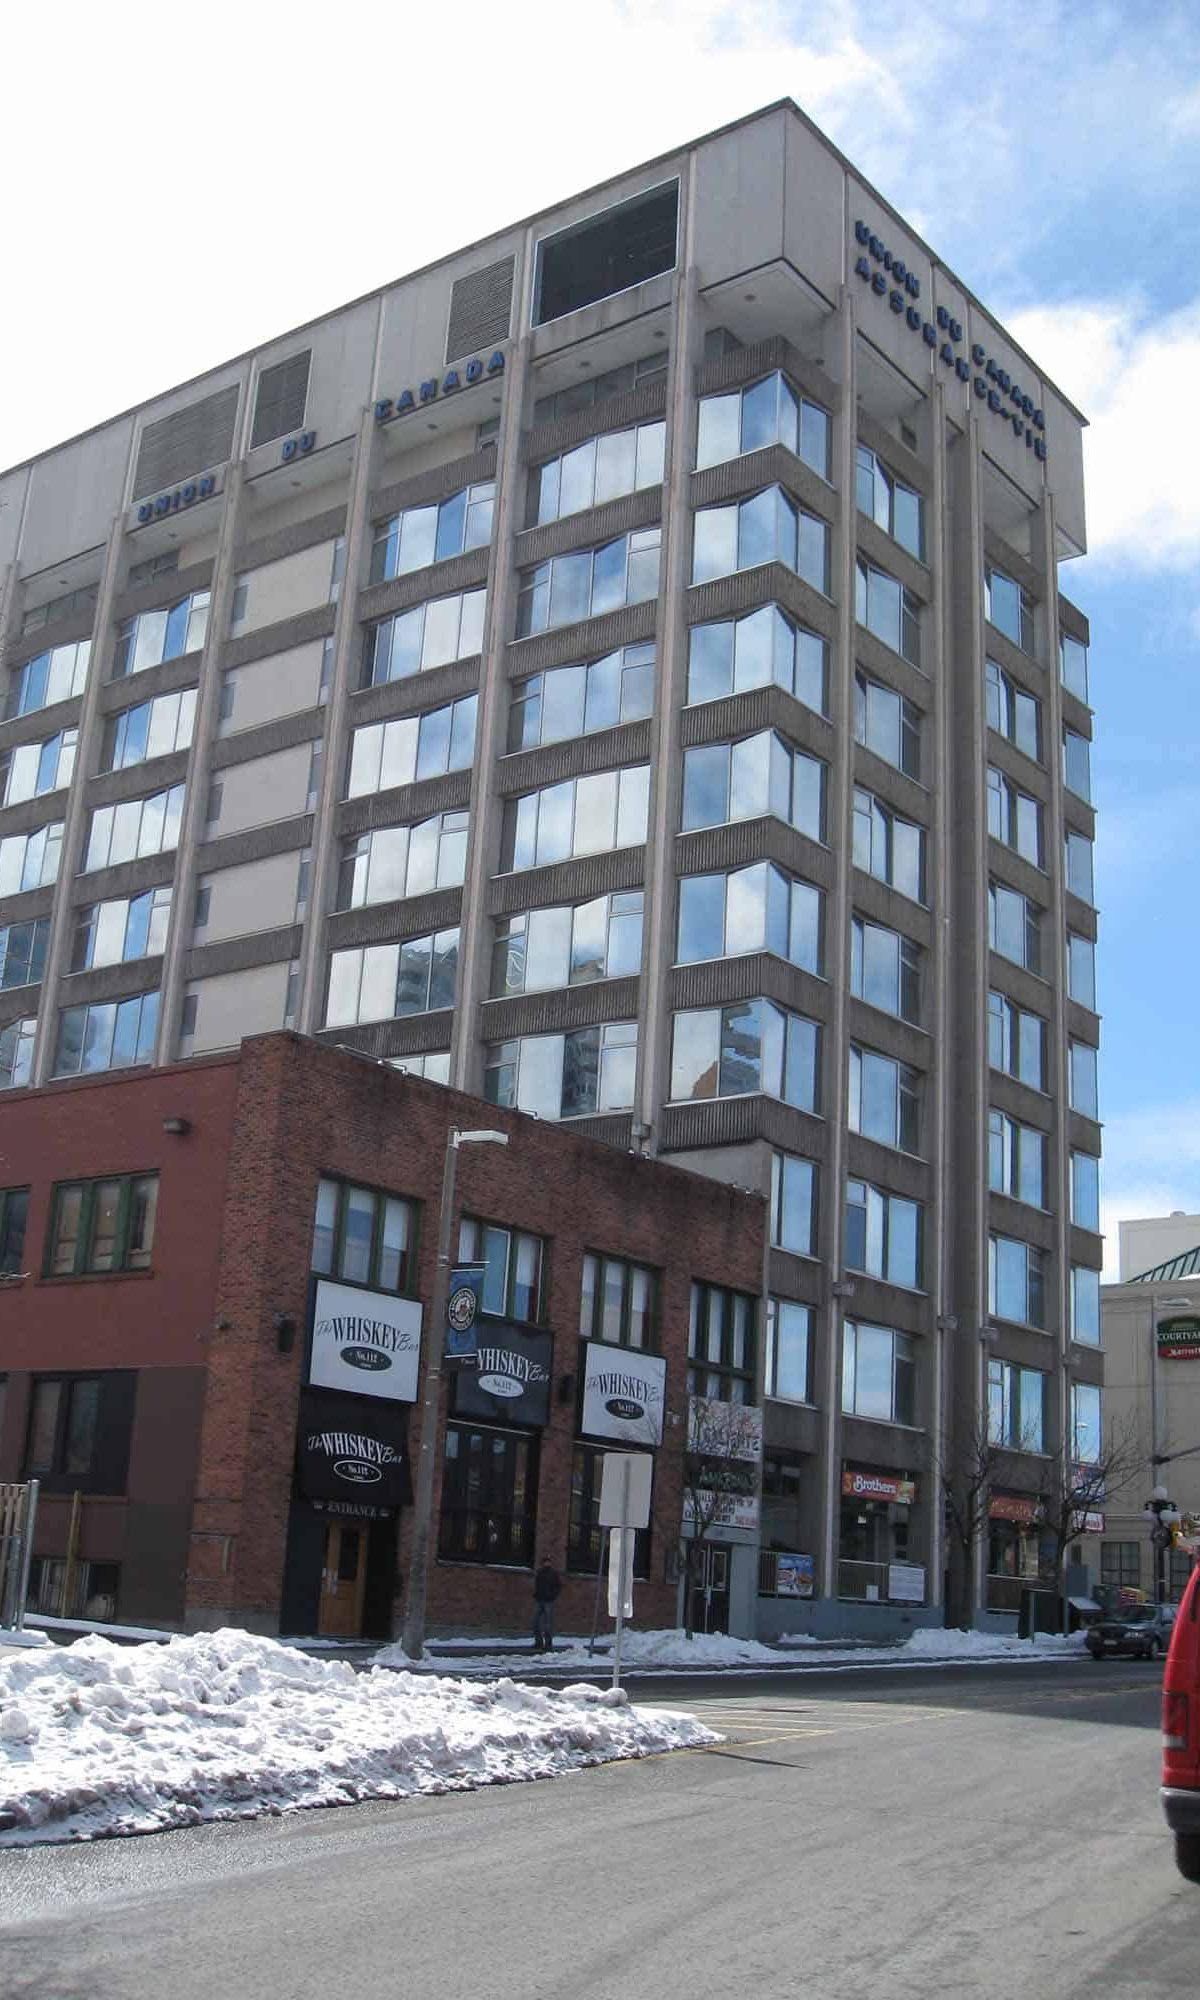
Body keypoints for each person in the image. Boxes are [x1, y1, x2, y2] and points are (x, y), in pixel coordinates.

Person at [532, 1555, 562, 1652]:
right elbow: (537, 1585)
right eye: (545, 1562)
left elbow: (558, 1586)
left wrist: (553, 1596)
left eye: (548, 1562)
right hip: (539, 1599)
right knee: (535, 1622)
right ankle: (539, 1642)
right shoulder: (540, 1573)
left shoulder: (553, 1574)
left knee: (548, 1624)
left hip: (549, 1601)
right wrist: (536, 1594)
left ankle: (548, 1644)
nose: (547, 1563)